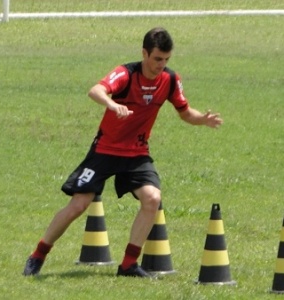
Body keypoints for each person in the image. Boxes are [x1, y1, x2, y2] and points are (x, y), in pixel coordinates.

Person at [23, 27, 223, 278]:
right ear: (144, 53)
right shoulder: (126, 74)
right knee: (79, 204)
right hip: (105, 149)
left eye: (166, 60)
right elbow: (95, 90)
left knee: (152, 198)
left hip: (136, 152)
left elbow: (185, 112)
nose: (161, 65)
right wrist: (112, 103)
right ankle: (38, 255)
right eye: (157, 59)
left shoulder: (170, 80)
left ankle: (128, 264)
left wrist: (202, 120)